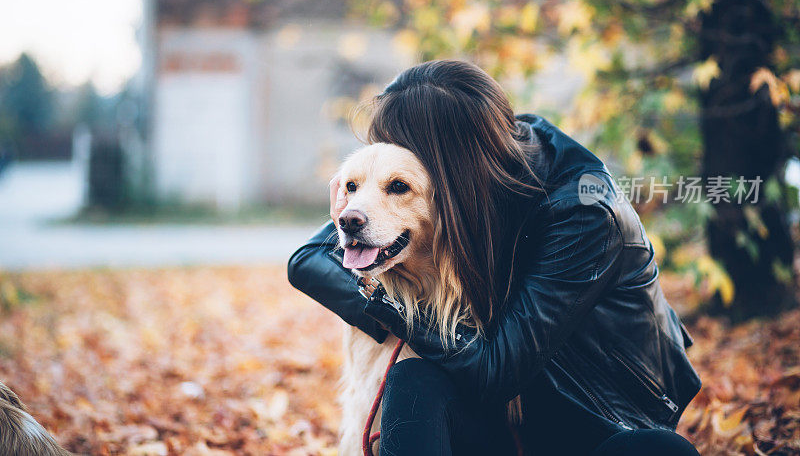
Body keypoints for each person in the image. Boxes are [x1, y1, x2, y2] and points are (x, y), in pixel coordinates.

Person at [288, 60, 701, 456]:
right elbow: (307, 260)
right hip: (503, 423)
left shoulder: (584, 212)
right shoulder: (465, 172)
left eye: (400, 160)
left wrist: (384, 301)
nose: (389, 161)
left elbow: (497, 369)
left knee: (661, 451)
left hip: (593, 423)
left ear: (450, 162)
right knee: (414, 379)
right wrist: (372, 273)